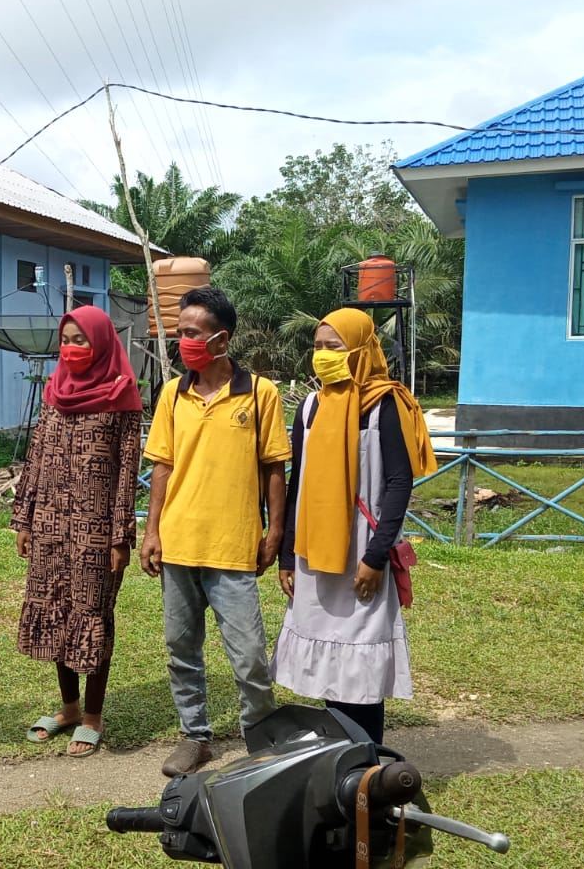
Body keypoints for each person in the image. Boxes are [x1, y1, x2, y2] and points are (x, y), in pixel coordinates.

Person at [139, 287, 291, 777]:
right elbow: (161, 466)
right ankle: (195, 737)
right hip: (179, 543)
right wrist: (152, 530)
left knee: (248, 656)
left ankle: (260, 736)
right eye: (180, 332)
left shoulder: (260, 393)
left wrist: (275, 533)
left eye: (191, 333)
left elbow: (274, 469)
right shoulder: (172, 393)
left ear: (221, 339)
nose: (182, 341)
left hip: (233, 545)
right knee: (181, 649)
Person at [272, 308, 438, 744]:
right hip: (314, 549)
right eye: (319, 347)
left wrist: (375, 556)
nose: (324, 356)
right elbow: (299, 483)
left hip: (362, 550)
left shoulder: (384, 405)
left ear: (361, 350)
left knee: (359, 664)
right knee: (329, 663)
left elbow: (400, 484)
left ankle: (366, 762)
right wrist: (288, 555)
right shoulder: (310, 406)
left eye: (335, 347)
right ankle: (335, 759)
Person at [12, 305, 143, 758]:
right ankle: (68, 708)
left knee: (92, 614)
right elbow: (34, 457)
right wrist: (25, 518)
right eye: (66, 338)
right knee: (54, 611)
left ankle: (93, 715)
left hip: (95, 530)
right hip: (50, 524)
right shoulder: (54, 392)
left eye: (81, 339)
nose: (72, 347)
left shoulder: (123, 395)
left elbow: (129, 470)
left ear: (101, 342)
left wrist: (119, 535)